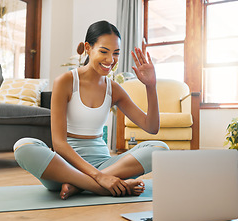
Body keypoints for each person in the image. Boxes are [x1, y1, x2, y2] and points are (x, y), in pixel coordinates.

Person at [13, 20, 169, 200]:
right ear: (88, 48)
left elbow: (151, 127)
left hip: (107, 165)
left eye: (116, 53)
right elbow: (59, 144)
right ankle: (102, 187)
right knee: (23, 146)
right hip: (65, 169)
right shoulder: (66, 82)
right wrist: (100, 177)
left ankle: (79, 187)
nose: (110, 60)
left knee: (159, 148)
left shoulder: (114, 89)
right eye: (104, 51)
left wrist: (151, 86)